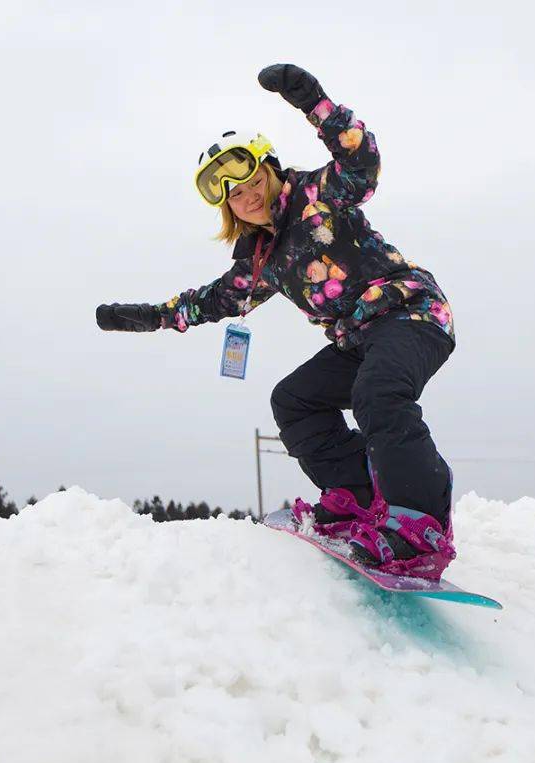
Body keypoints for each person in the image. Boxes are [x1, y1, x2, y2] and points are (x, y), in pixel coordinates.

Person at [96, 64, 457, 577]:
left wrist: (313, 102)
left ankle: (419, 526)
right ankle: (360, 496)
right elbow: (212, 301)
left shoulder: (318, 194)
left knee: (377, 394)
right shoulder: (262, 259)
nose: (241, 195)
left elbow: (361, 161)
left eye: (243, 177)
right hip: (359, 339)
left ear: (266, 165)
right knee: (294, 400)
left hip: (410, 312)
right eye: (224, 192)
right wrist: (149, 318)